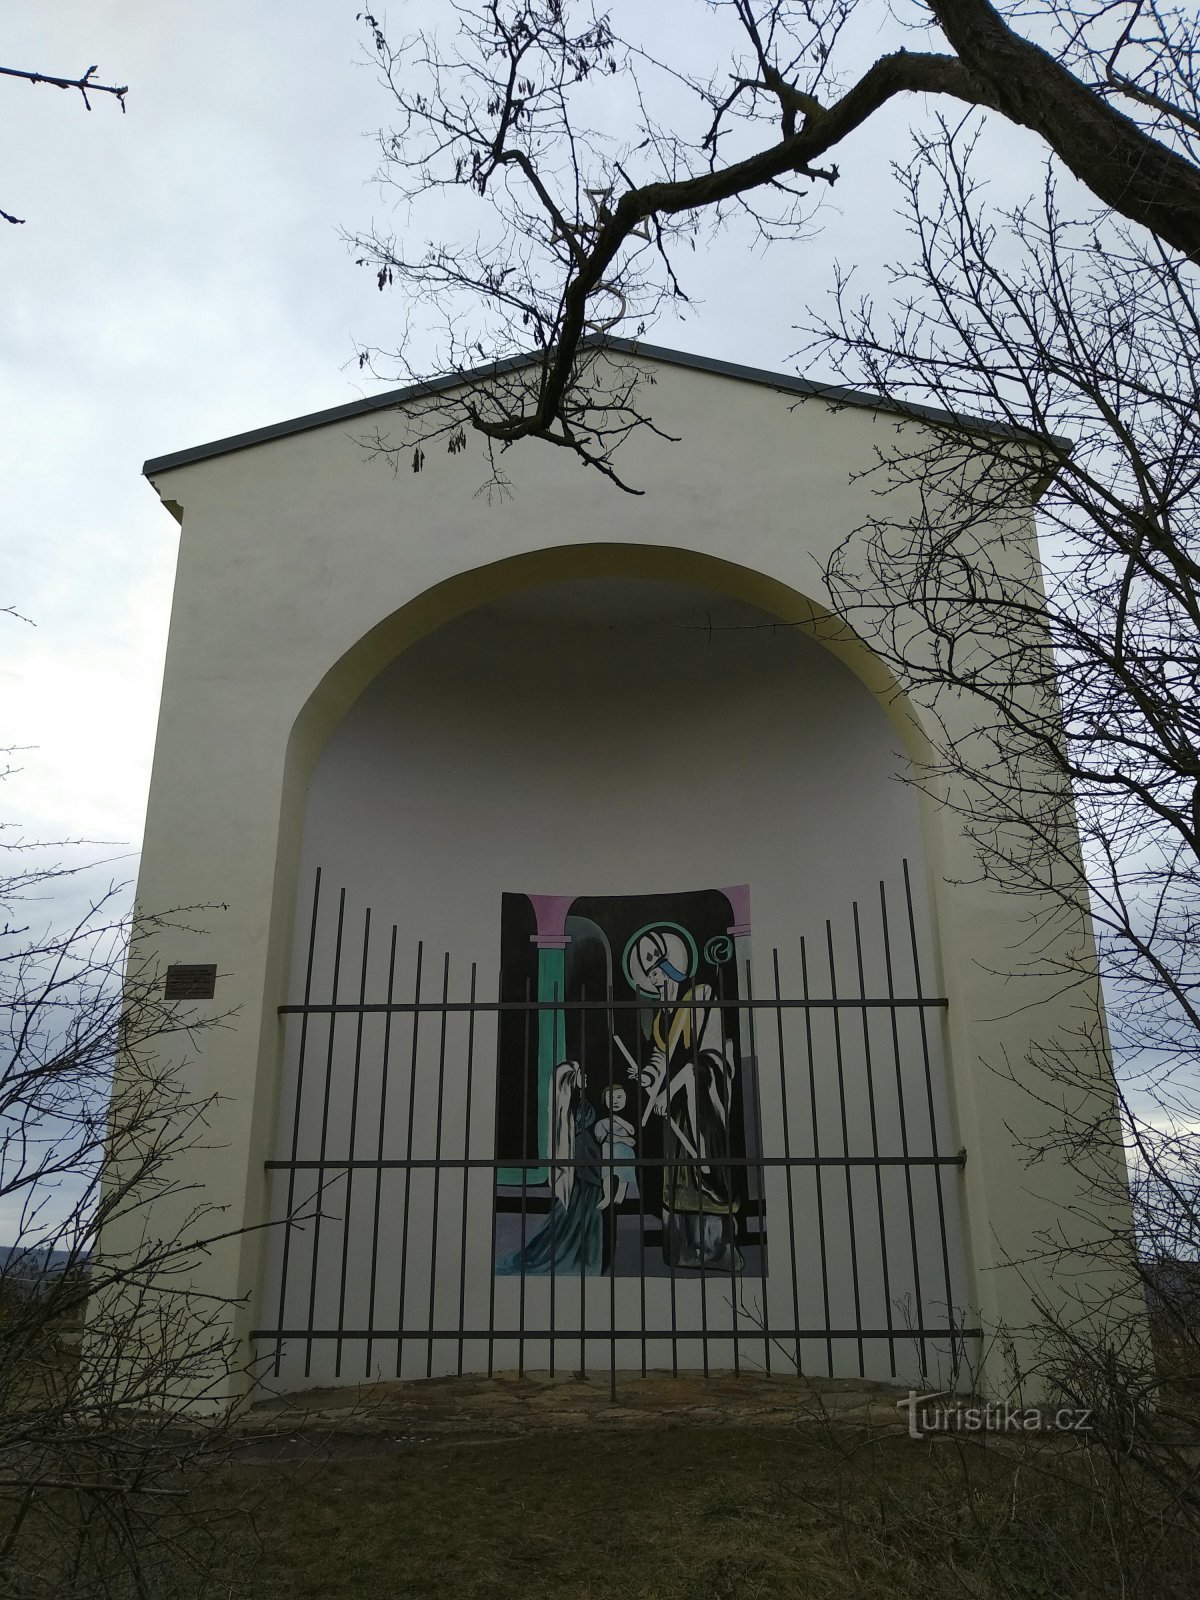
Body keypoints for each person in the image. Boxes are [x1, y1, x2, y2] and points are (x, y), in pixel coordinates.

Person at [624, 927, 742, 1272]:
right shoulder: (663, 1015)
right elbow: (661, 1057)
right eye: (649, 976)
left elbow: (702, 1062)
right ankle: (684, 1249)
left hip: (703, 1098)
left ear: (673, 965)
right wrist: (647, 1077)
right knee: (678, 1178)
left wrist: (666, 1090)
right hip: (677, 1106)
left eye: (657, 972)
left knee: (704, 1168)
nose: (654, 982)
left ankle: (717, 1248)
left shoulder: (701, 996)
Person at [496, 1059, 603, 1276]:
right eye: (581, 1074)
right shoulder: (576, 1107)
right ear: (572, 1081)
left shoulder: (576, 1104)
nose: (586, 1077)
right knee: (582, 1214)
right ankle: (583, 1260)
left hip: (589, 1163)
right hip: (586, 1166)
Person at [594, 1083, 639, 1211]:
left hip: (626, 1153)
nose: (615, 1101)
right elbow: (602, 1137)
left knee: (624, 1175)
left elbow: (632, 1131)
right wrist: (623, 1139)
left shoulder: (628, 1117)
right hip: (609, 1151)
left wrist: (618, 1119)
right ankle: (607, 1197)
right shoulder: (601, 1121)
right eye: (611, 1098)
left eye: (619, 1097)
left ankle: (620, 1195)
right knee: (607, 1175)